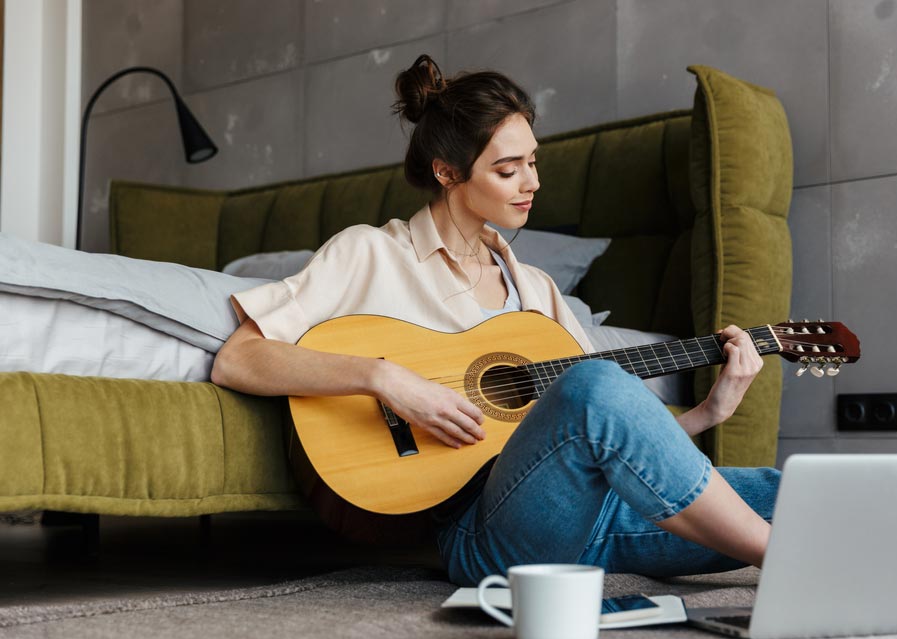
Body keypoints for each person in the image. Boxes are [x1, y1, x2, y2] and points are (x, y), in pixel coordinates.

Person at [211, 54, 779, 587]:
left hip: (576, 517)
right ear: (447, 172)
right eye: (508, 170)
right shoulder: (370, 253)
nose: (532, 183)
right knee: (594, 382)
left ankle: (789, 557)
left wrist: (709, 413)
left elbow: (609, 439)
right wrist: (384, 378)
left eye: (533, 162)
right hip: (481, 534)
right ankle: (780, 559)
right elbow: (238, 359)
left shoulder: (536, 289)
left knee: (788, 494)